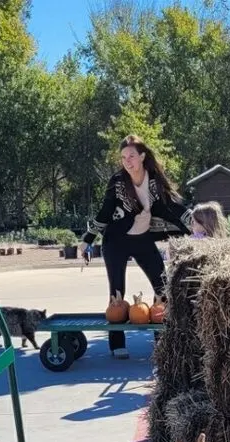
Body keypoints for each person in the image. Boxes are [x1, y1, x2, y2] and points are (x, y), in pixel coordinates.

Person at [79, 135, 192, 358]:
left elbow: (170, 206)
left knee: (162, 286)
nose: (127, 161)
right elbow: (105, 212)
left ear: (142, 156)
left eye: (131, 156)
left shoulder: (154, 181)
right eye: (123, 158)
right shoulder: (118, 181)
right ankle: (117, 344)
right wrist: (87, 239)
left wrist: (194, 223)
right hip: (116, 241)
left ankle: (162, 340)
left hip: (143, 240)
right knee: (117, 292)